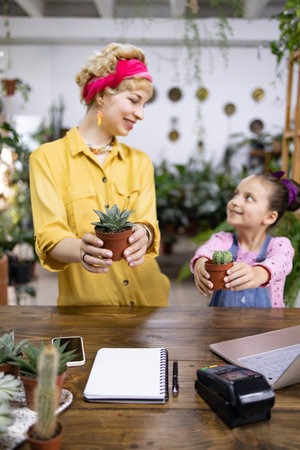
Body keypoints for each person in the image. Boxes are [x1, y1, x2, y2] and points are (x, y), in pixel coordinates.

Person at [29, 42, 170, 306]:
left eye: (144, 105)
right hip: (89, 309)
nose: (140, 114)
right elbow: (49, 235)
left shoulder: (140, 162)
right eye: (133, 100)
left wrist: (144, 233)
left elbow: (148, 222)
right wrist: (81, 250)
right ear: (102, 95)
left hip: (150, 304)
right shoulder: (47, 158)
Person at [190, 172, 300, 307]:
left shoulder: (280, 245)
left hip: (269, 326)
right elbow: (207, 249)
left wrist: (259, 273)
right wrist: (201, 262)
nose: (234, 202)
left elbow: (281, 262)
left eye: (248, 198)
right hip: (221, 325)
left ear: (270, 217)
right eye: (235, 194)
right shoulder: (223, 240)